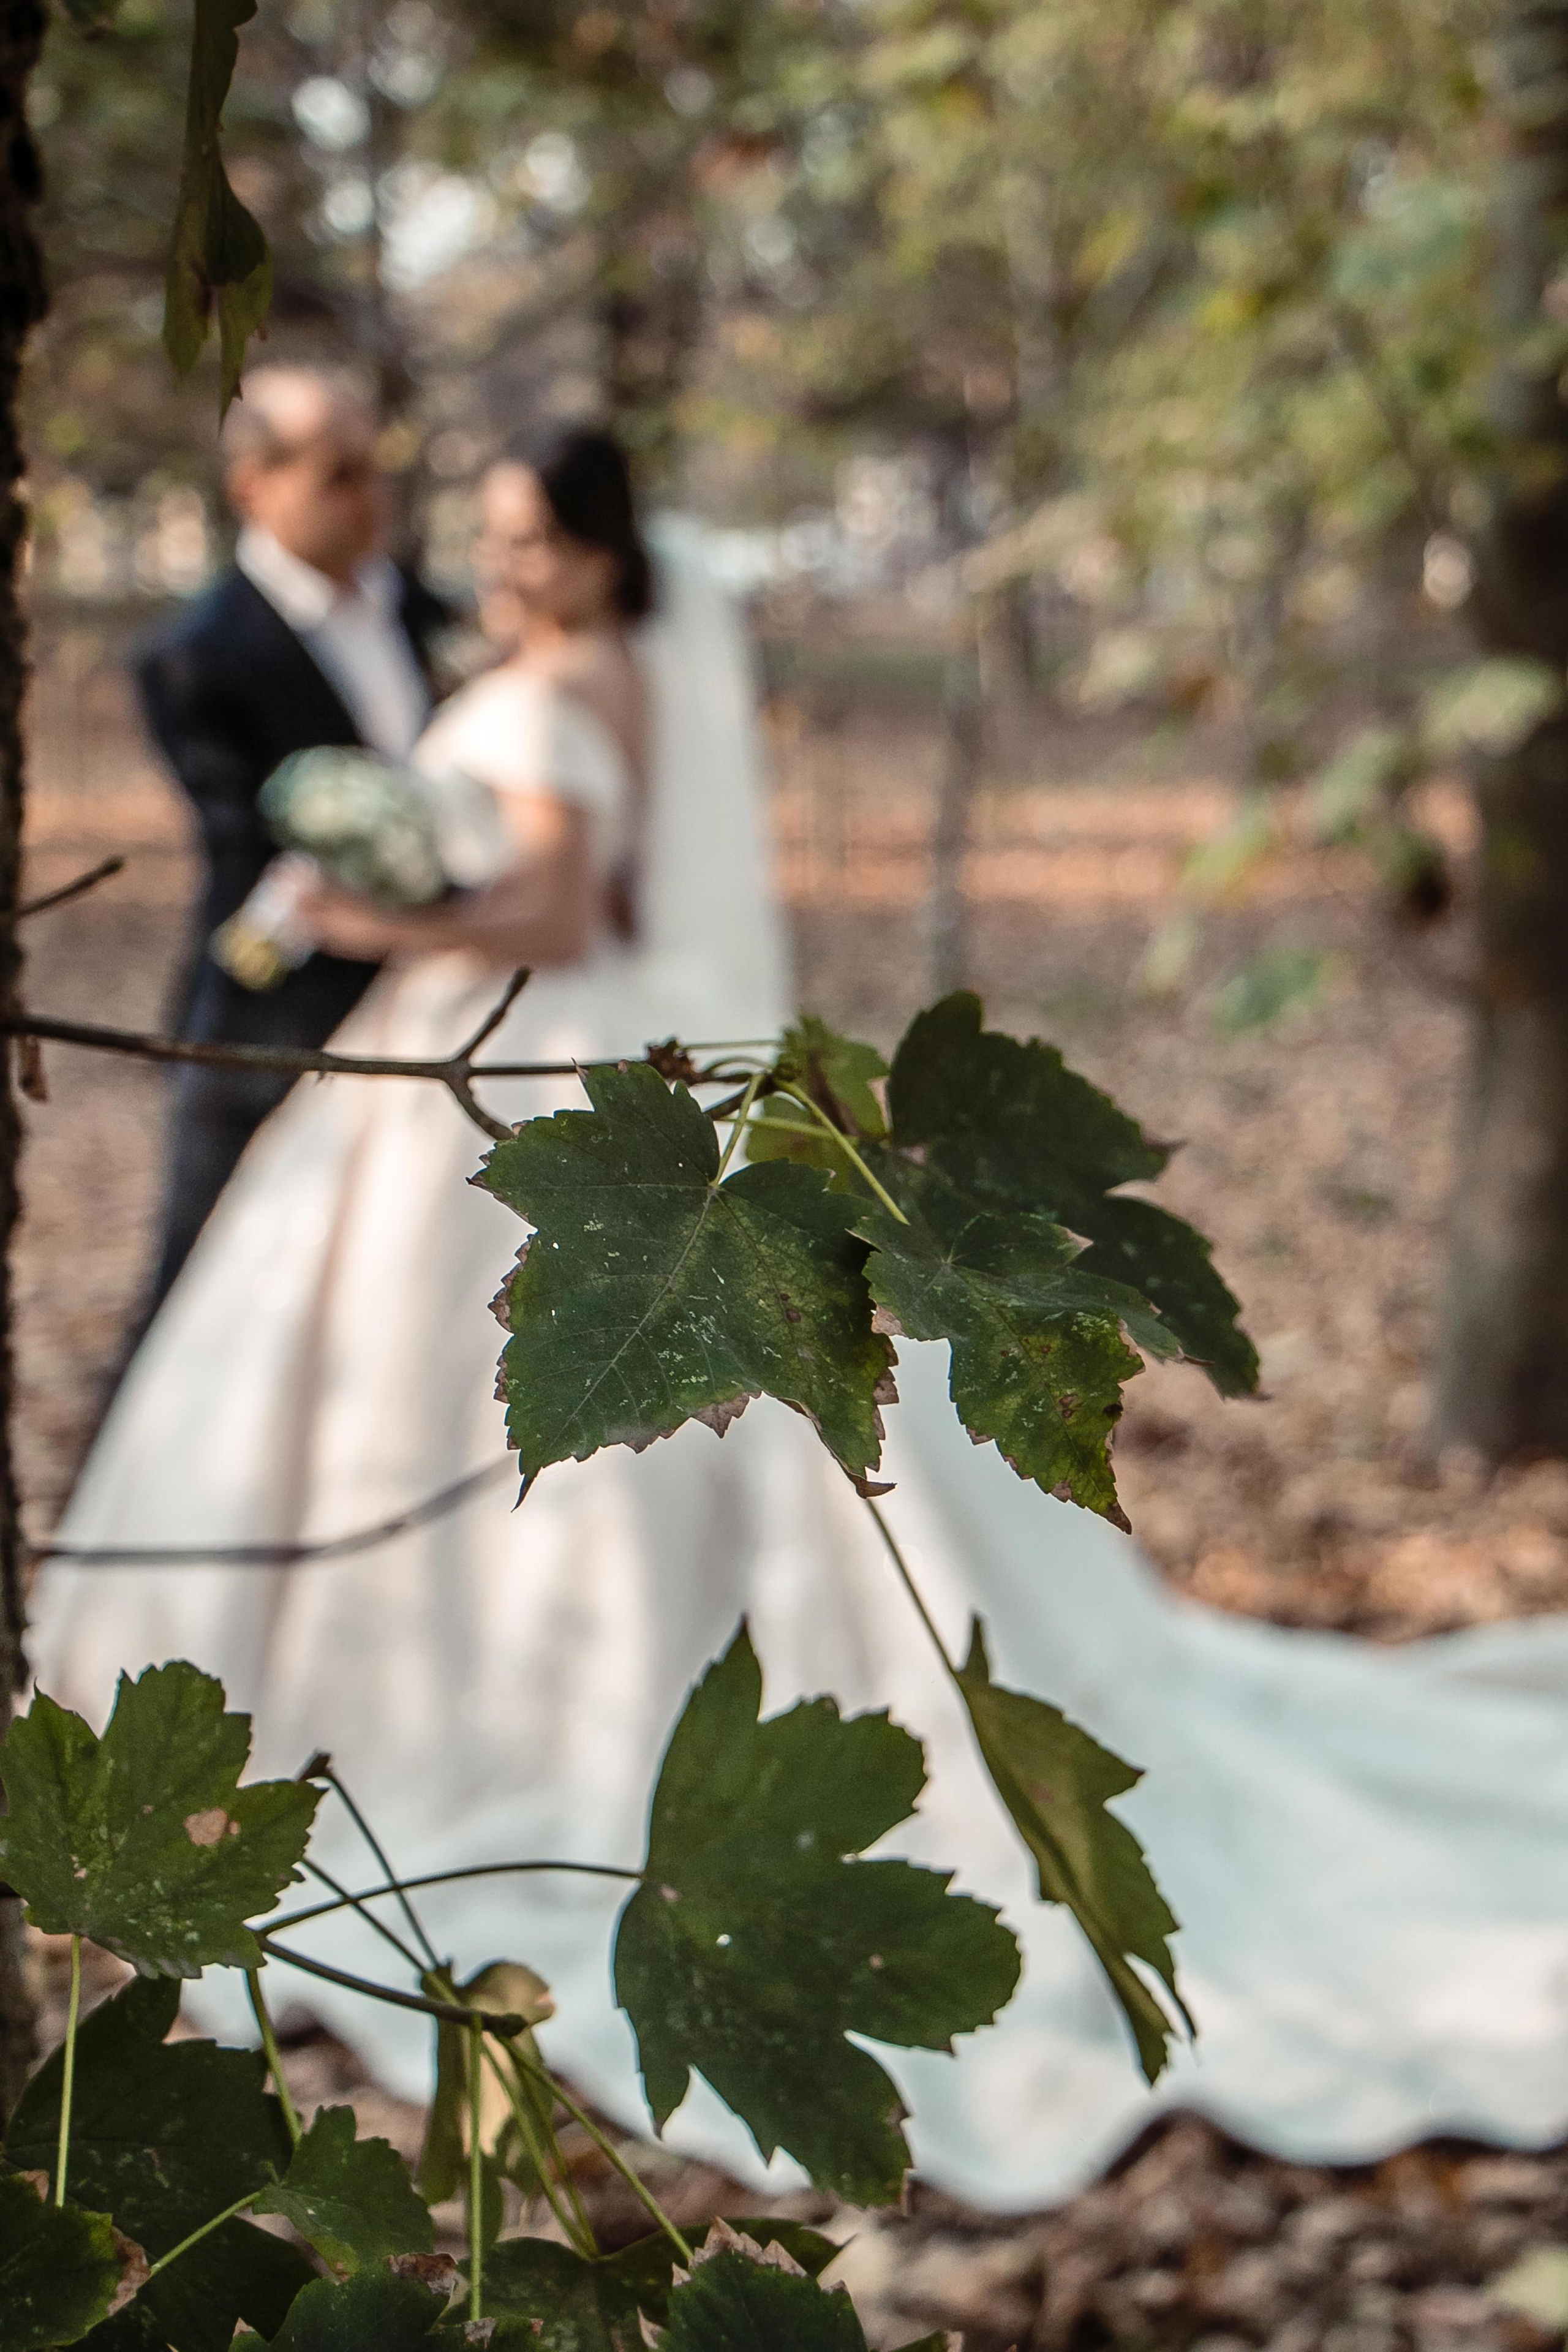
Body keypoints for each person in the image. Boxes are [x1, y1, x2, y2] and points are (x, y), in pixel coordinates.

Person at [29, 431, 1568, 2214]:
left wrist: (352, 905)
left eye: (538, 536)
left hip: (536, 1048)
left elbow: (555, 903)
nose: (509, 563)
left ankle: (533, 1719)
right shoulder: (563, 667)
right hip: (516, 1054)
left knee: (557, 1383)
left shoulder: (575, 683)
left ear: (607, 553)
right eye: (501, 535)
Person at [134, 367, 450, 1310]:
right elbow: (245, 839)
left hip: (443, 1014)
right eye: (339, 475)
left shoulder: (431, 613)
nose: (370, 499)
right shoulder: (194, 656)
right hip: (276, 1018)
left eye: (377, 471)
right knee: (198, 1291)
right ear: (252, 486)